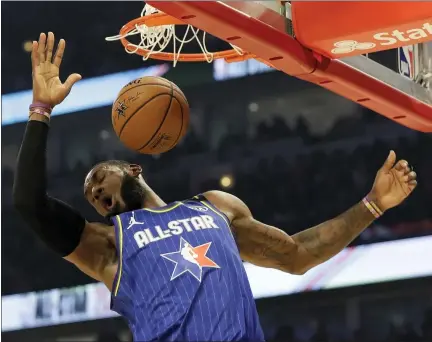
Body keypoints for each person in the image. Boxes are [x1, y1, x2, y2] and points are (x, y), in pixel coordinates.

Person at [13, 32, 418, 342]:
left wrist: (373, 205)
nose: (97, 194)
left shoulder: (215, 207)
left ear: (134, 169)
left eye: (100, 178)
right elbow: (30, 205)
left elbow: (297, 255)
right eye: (92, 198)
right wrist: (41, 108)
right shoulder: (110, 245)